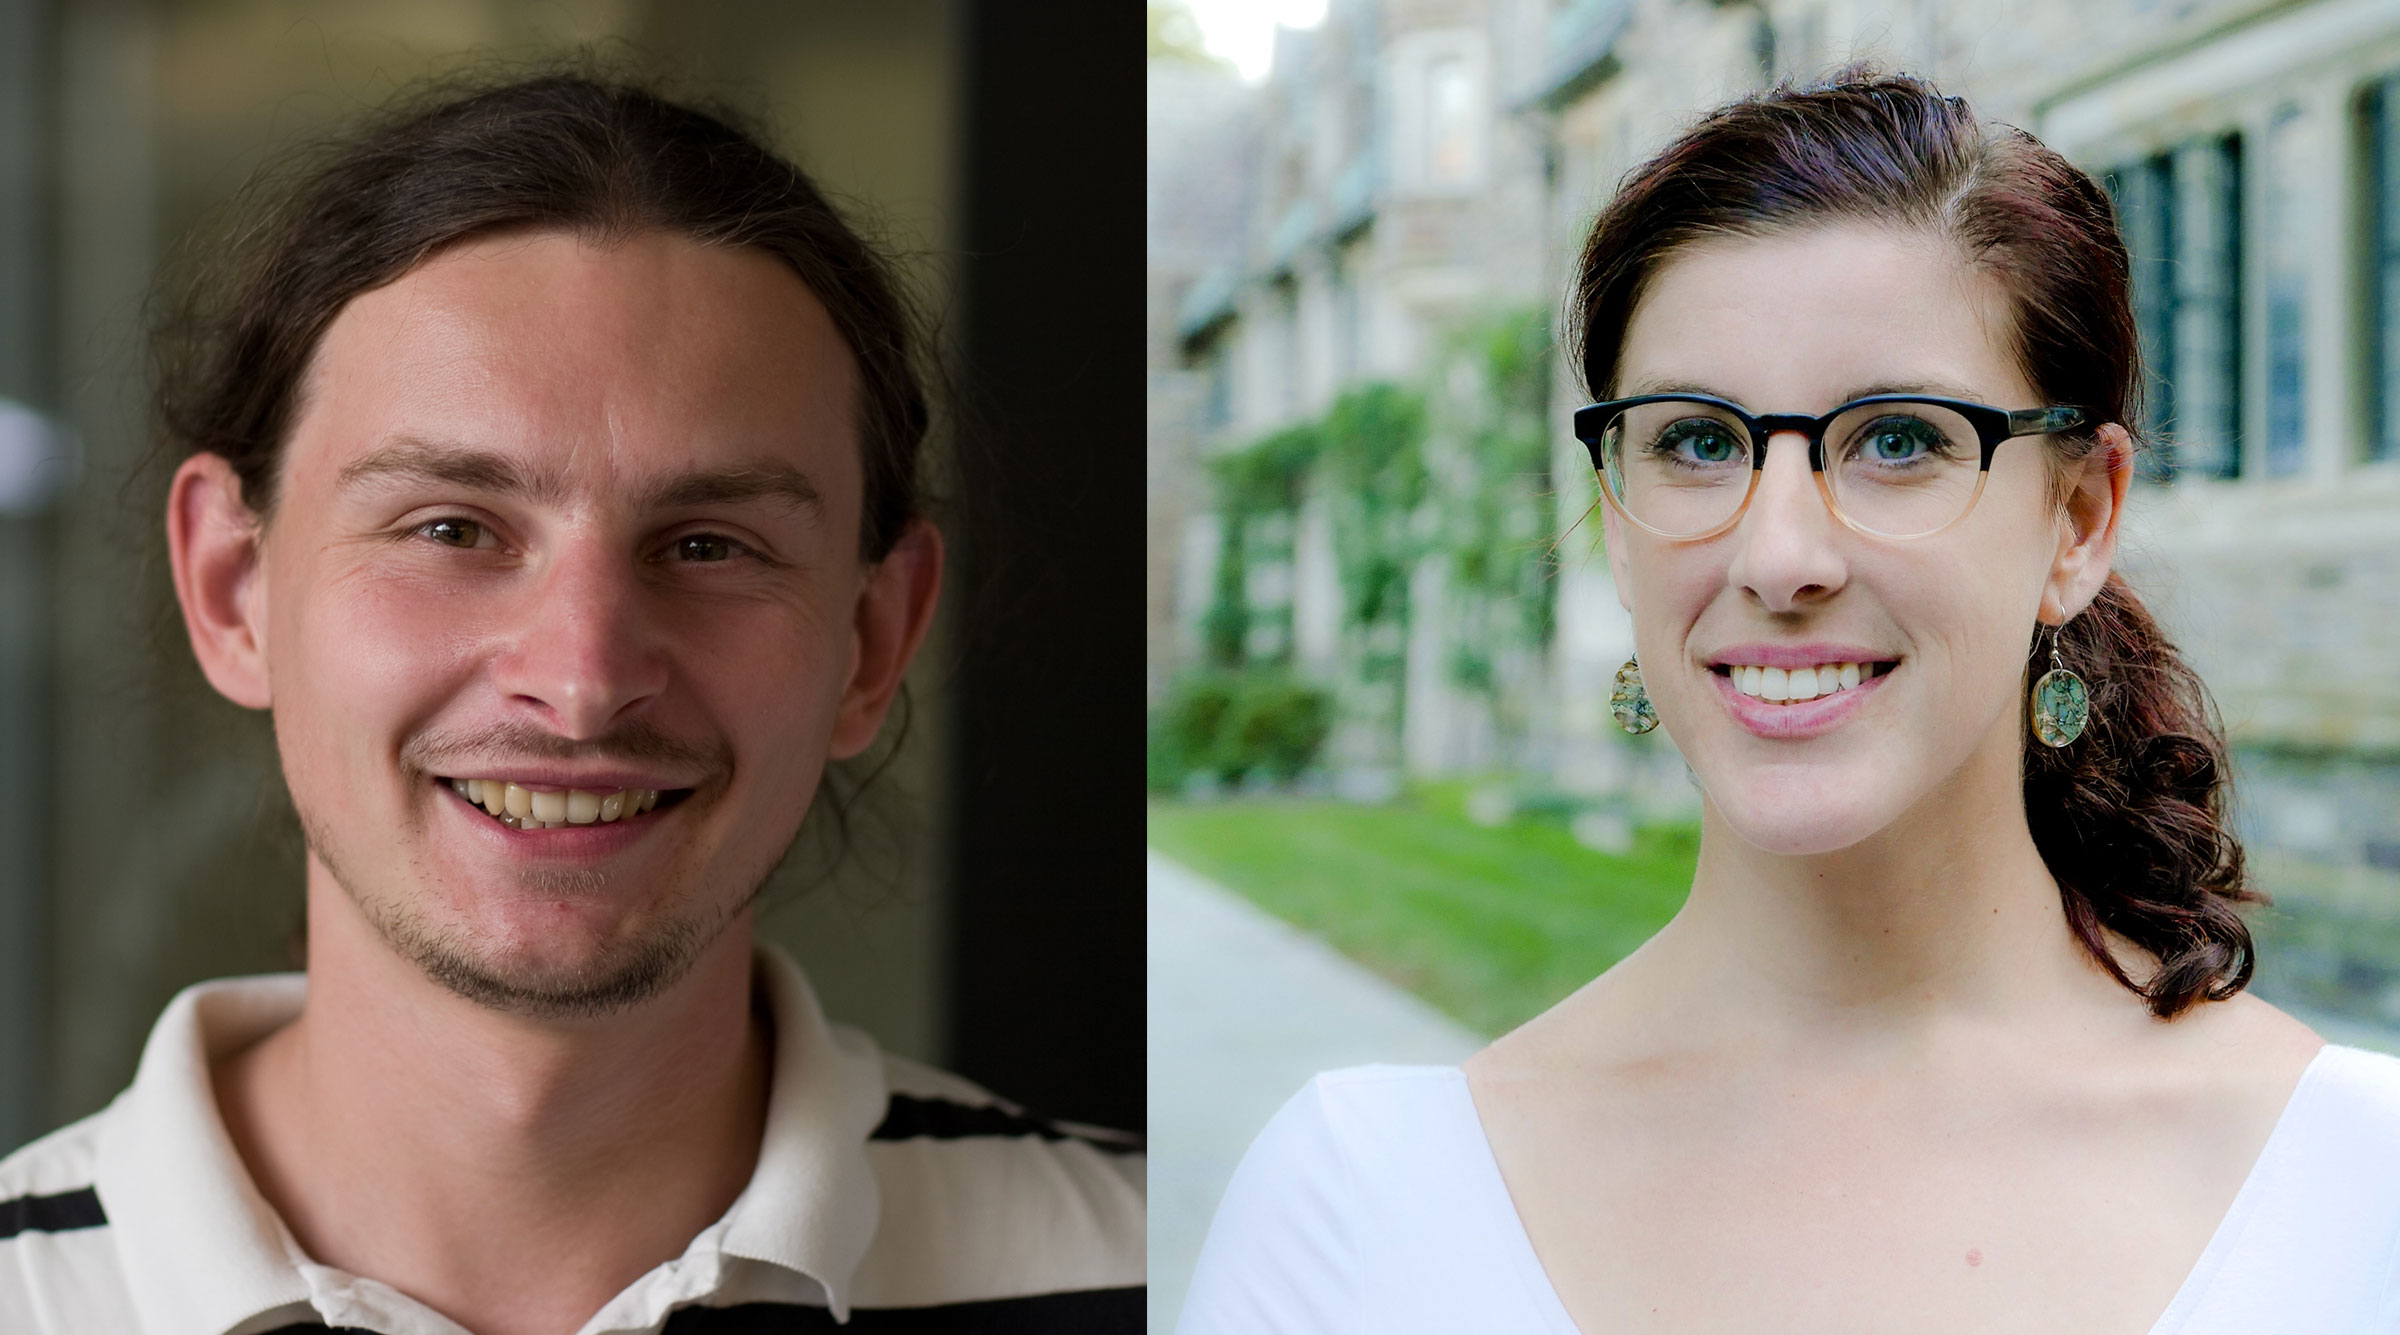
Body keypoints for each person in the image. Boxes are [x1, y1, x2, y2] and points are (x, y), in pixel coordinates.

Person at [1179, 72, 2400, 1333]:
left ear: (2080, 519)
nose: (1777, 556)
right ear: (1614, 510)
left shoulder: (2364, 1201)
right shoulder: (1362, 1210)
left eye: (1897, 439)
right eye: (1698, 442)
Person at [0, 75, 1143, 1335]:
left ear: (874, 640)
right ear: (232, 588)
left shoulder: (1181, 1277)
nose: (585, 677)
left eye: (710, 545)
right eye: (451, 528)